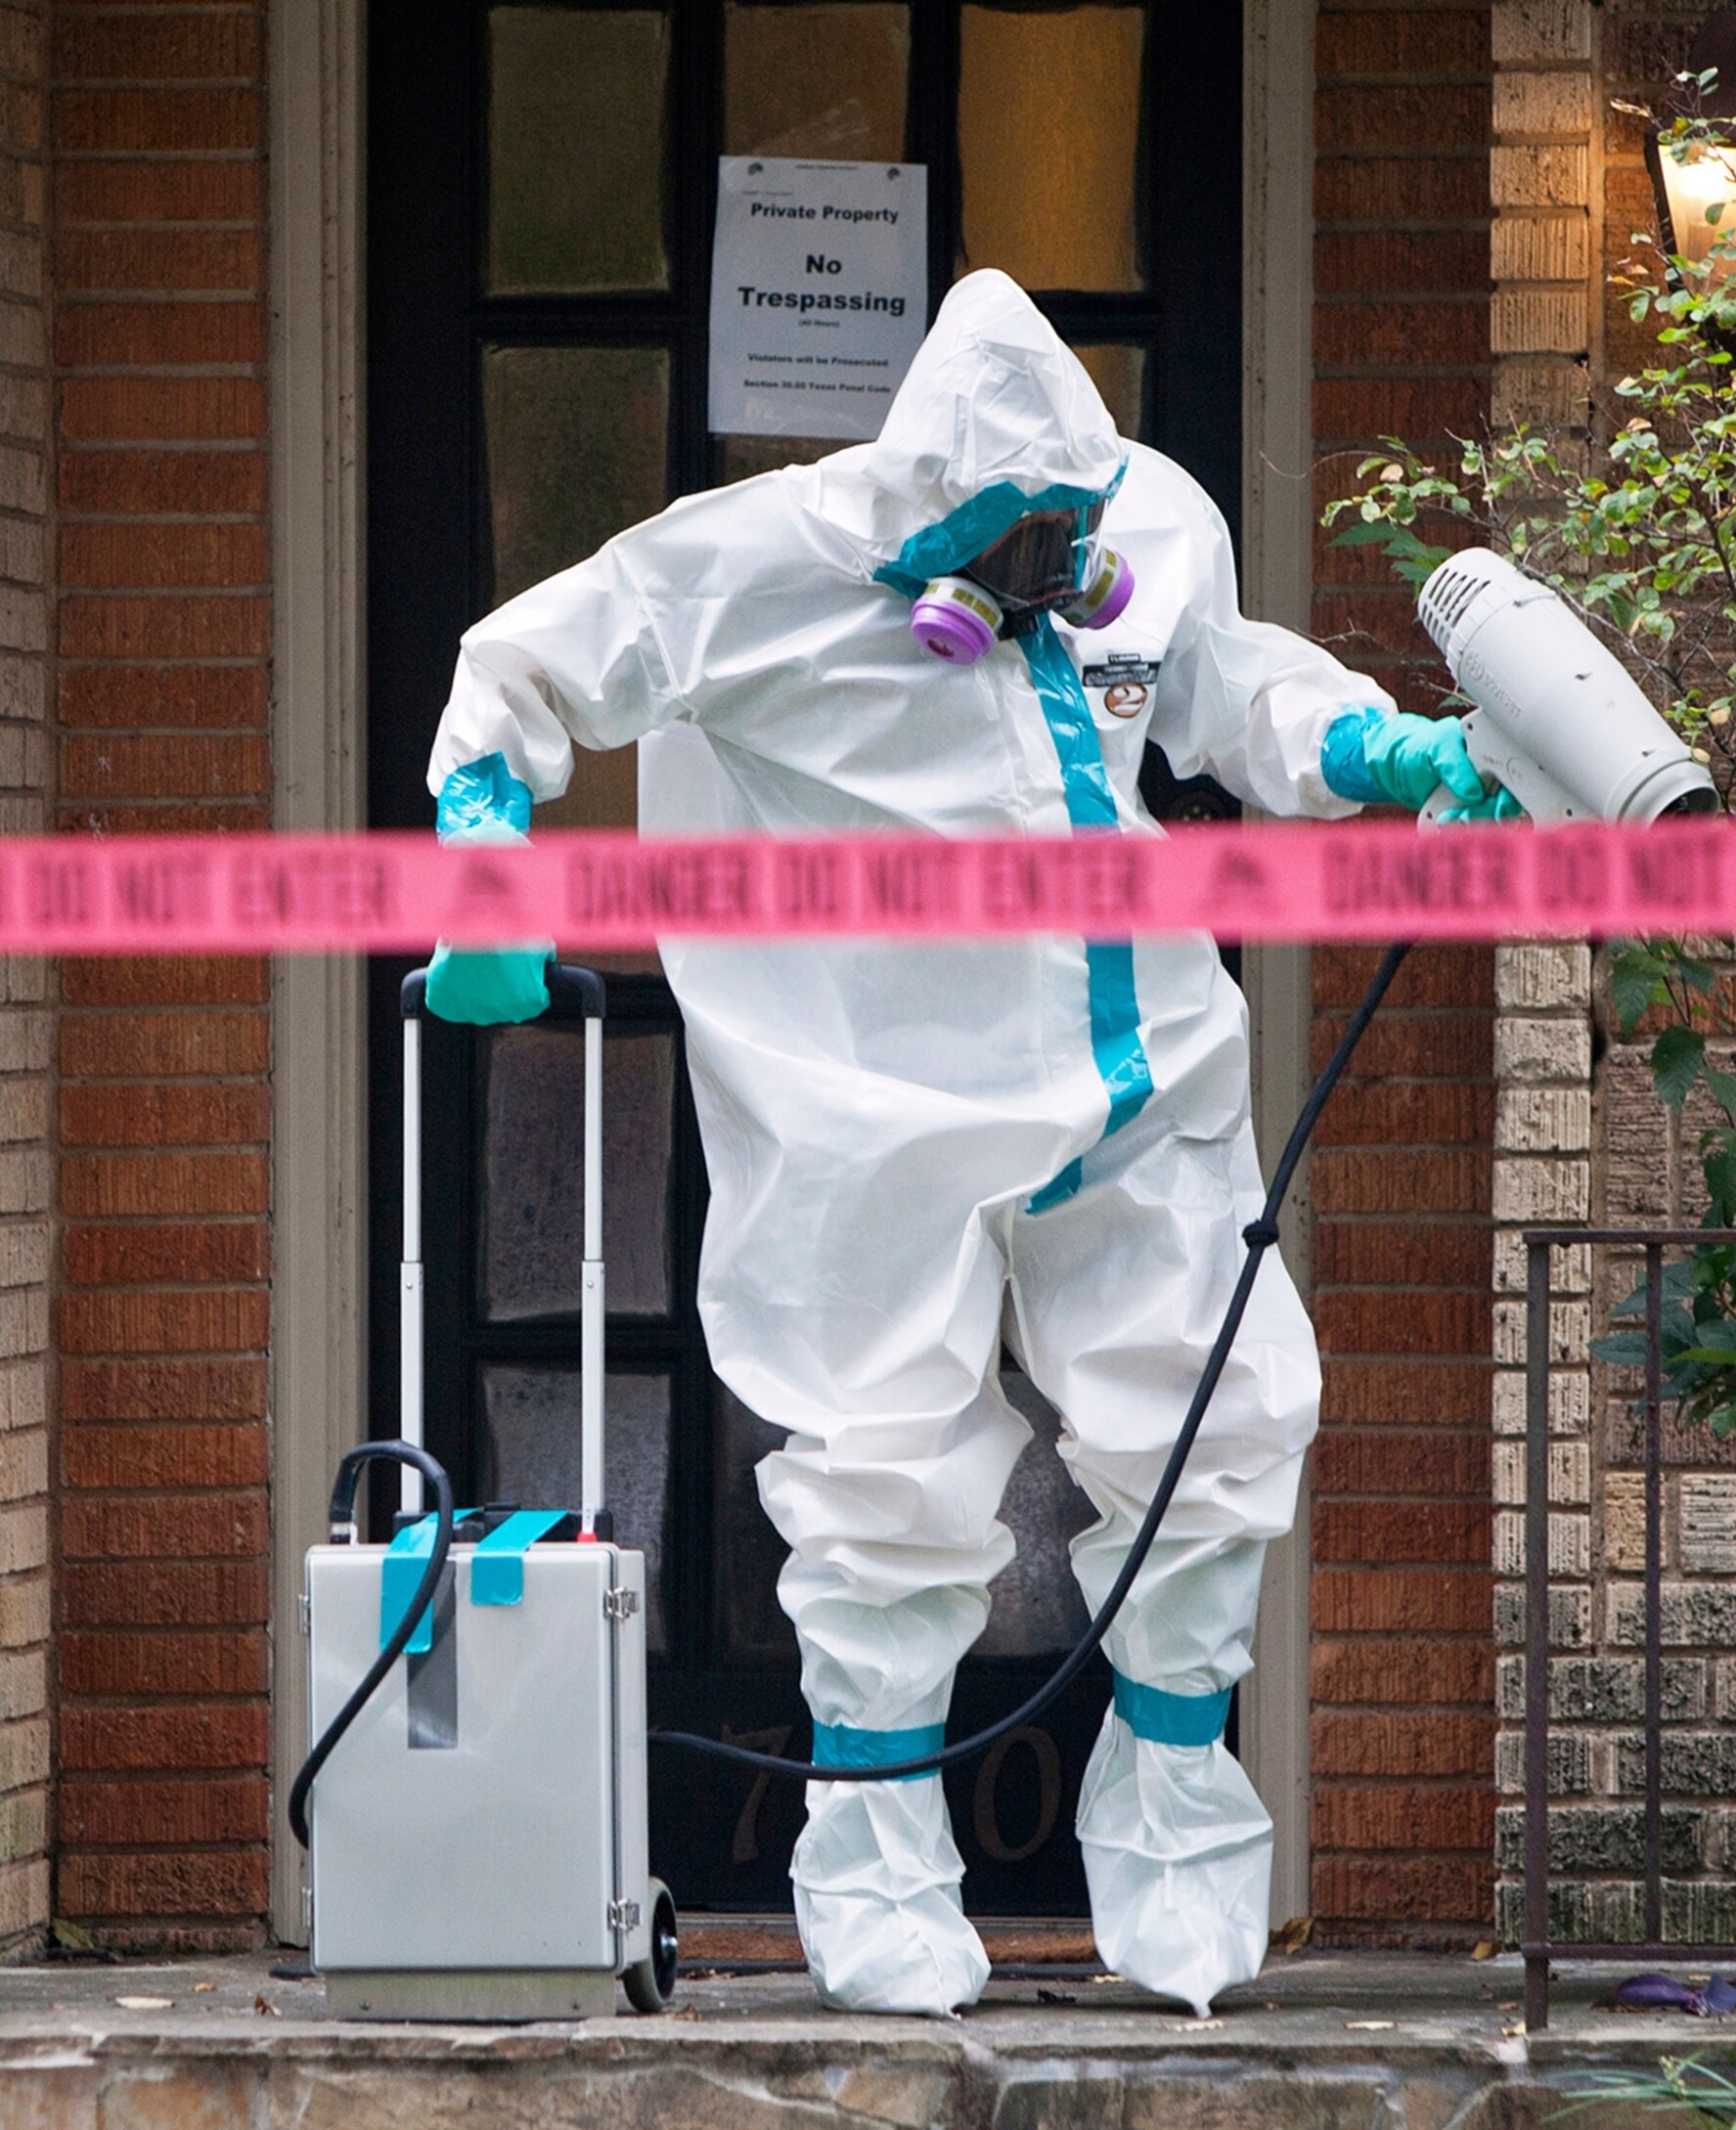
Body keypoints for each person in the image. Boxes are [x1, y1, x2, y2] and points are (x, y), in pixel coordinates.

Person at [418, 271, 1489, 2017]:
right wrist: (479, 850)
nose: (1057, 585)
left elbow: (1232, 689)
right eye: (1019, 562)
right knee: (882, 1476)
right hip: (871, 1103)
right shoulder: (758, 560)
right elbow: (528, 662)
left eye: (1073, 550)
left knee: (1216, 1426)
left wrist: (1391, 747)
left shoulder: (1148, 525)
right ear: (930, 535)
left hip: (1142, 1078)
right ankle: (878, 1867)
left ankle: (1179, 1842)